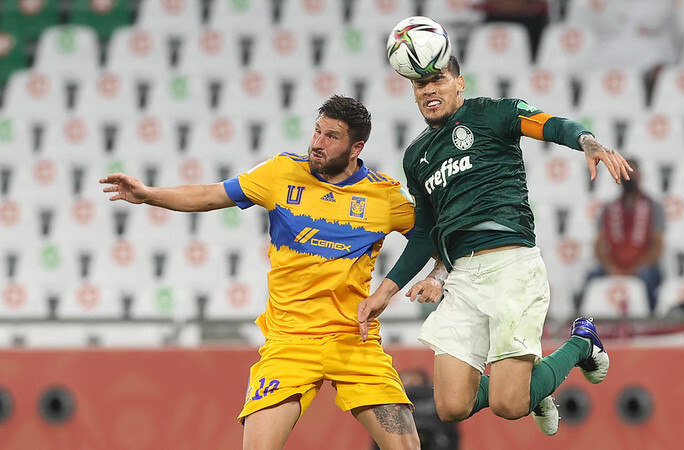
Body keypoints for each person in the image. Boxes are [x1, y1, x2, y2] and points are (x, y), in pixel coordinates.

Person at [101, 95, 421, 450]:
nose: (317, 143)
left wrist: (423, 280)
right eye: (316, 131)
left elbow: (431, 236)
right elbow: (209, 195)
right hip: (289, 342)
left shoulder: (384, 196)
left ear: (356, 146)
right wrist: (149, 195)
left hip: (353, 341)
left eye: (331, 136)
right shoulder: (280, 172)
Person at [358, 55, 632, 435]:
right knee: (451, 405)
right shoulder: (416, 156)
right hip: (462, 278)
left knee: (508, 404)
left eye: (437, 79)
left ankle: (582, 343)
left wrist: (586, 140)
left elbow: (550, 124)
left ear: (459, 82)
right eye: (421, 85)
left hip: (511, 266)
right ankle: (533, 389)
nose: (429, 90)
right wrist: (384, 293)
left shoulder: (492, 114)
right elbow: (423, 232)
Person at [585, 158, 665, 314]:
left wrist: (636, 268)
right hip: (613, 264)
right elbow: (598, 245)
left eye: (631, 173)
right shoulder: (608, 208)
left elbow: (658, 245)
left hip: (642, 265)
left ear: (640, 175)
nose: (627, 177)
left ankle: (648, 322)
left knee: (648, 276)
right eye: (623, 173)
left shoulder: (654, 206)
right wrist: (611, 267)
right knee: (592, 277)